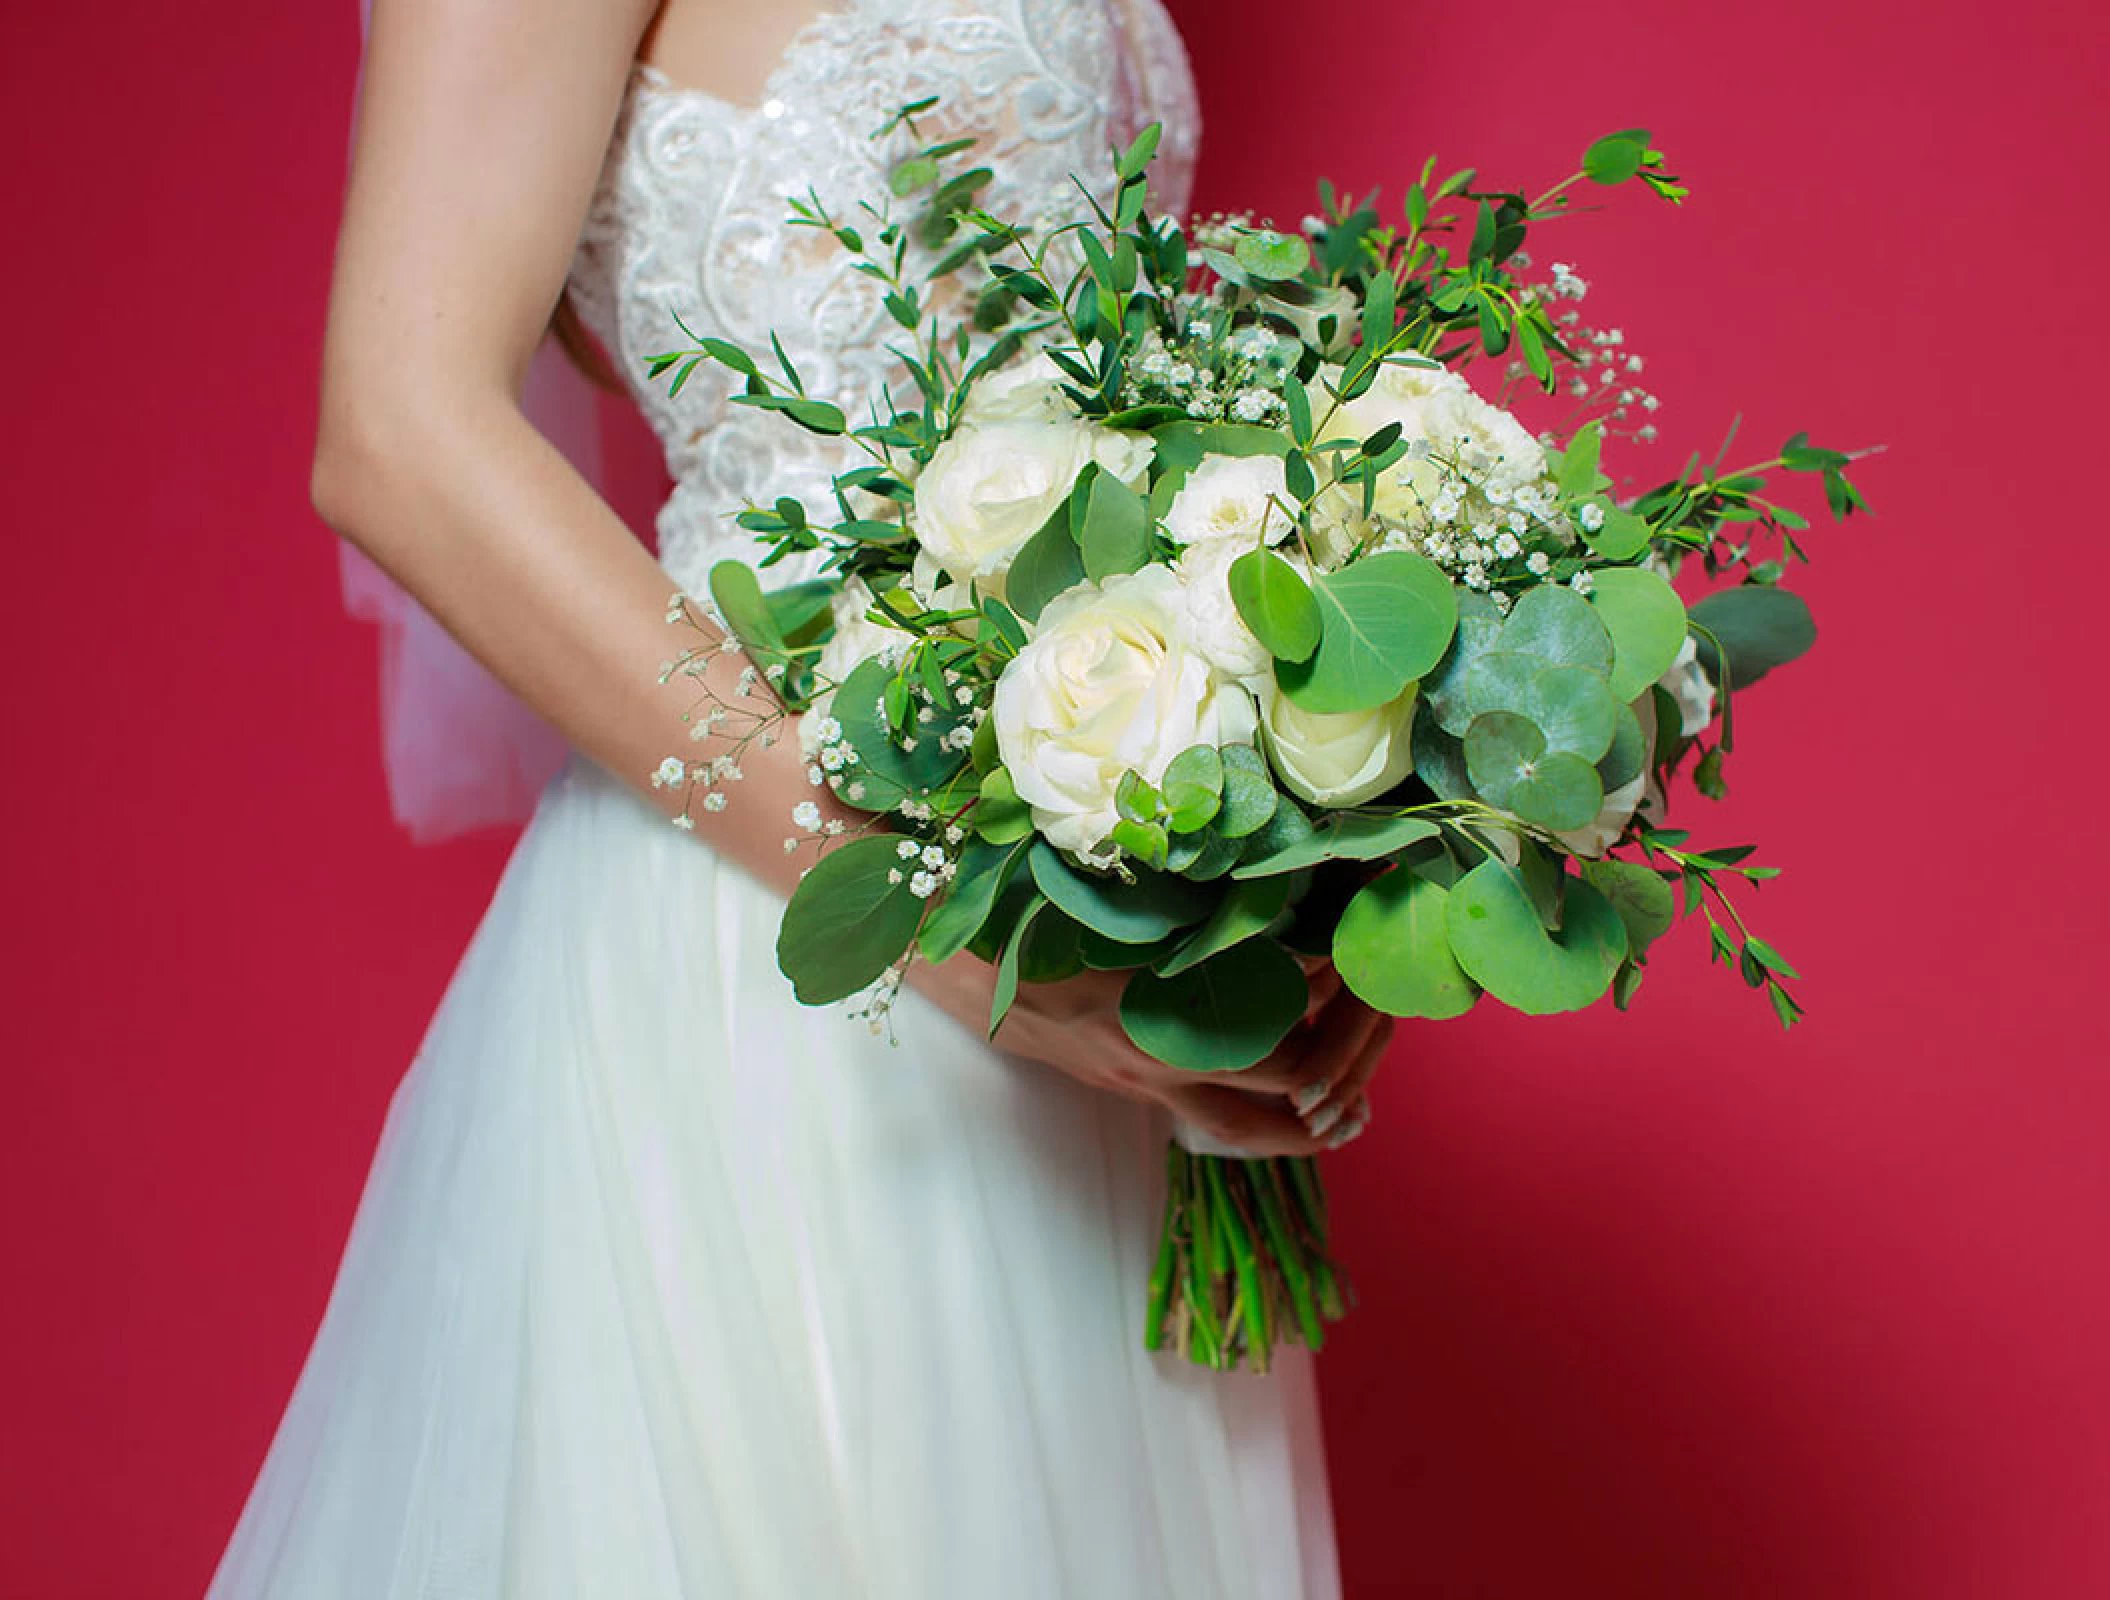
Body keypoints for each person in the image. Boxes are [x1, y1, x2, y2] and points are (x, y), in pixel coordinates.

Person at [210, 1, 1388, 1593]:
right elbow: (399, 431)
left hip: (1078, 946)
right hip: (794, 940)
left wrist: (1301, 865)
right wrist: (927, 923)